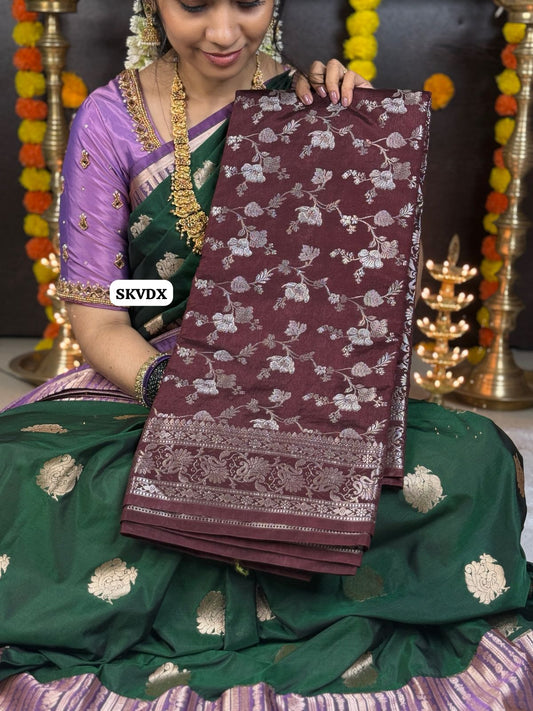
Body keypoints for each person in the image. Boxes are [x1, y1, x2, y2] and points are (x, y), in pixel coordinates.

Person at [0, 1, 531, 708]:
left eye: (247, 2)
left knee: (476, 458)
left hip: (299, 386)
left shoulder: (313, 102)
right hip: (159, 381)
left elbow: (370, 290)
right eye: (194, 4)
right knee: (26, 474)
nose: (223, 33)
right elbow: (102, 312)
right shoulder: (111, 119)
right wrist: (177, 385)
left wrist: (355, 136)